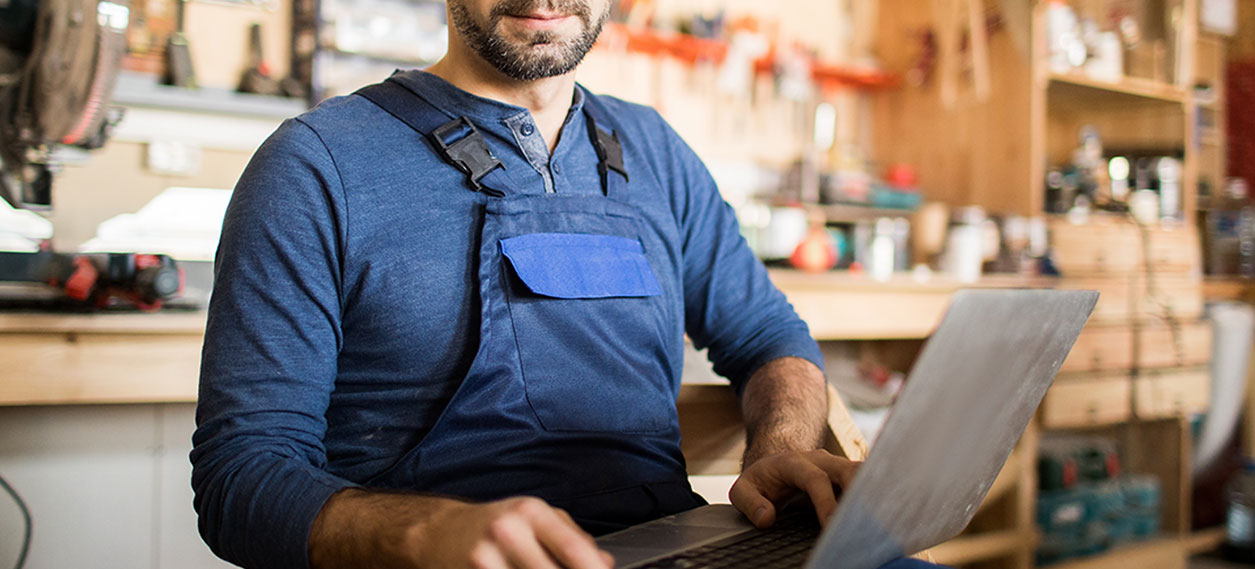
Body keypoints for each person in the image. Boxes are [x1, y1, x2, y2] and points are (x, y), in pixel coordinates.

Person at [191, 1, 944, 568]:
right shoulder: (316, 165)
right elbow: (241, 476)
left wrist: (776, 450)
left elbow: (769, 338)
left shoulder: (655, 150)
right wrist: (426, 531)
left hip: (672, 546)